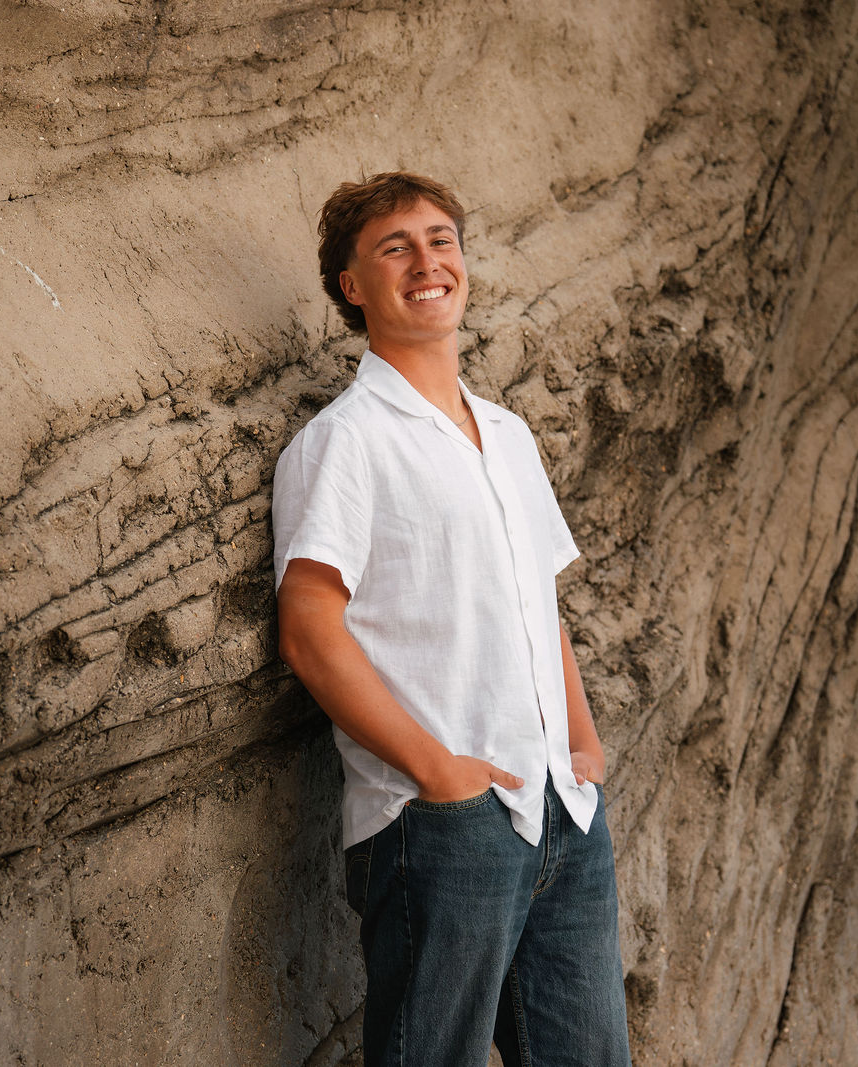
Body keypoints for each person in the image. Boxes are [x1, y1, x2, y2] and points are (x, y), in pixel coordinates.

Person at [271, 171, 632, 1067]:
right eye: (396, 247)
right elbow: (311, 631)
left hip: (562, 810)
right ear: (352, 288)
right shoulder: (343, 443)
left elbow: (537, 602)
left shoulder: (508, 433)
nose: (427, 261)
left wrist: (580, 752)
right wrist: (439, 773)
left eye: (442, 240)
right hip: (439, 823)